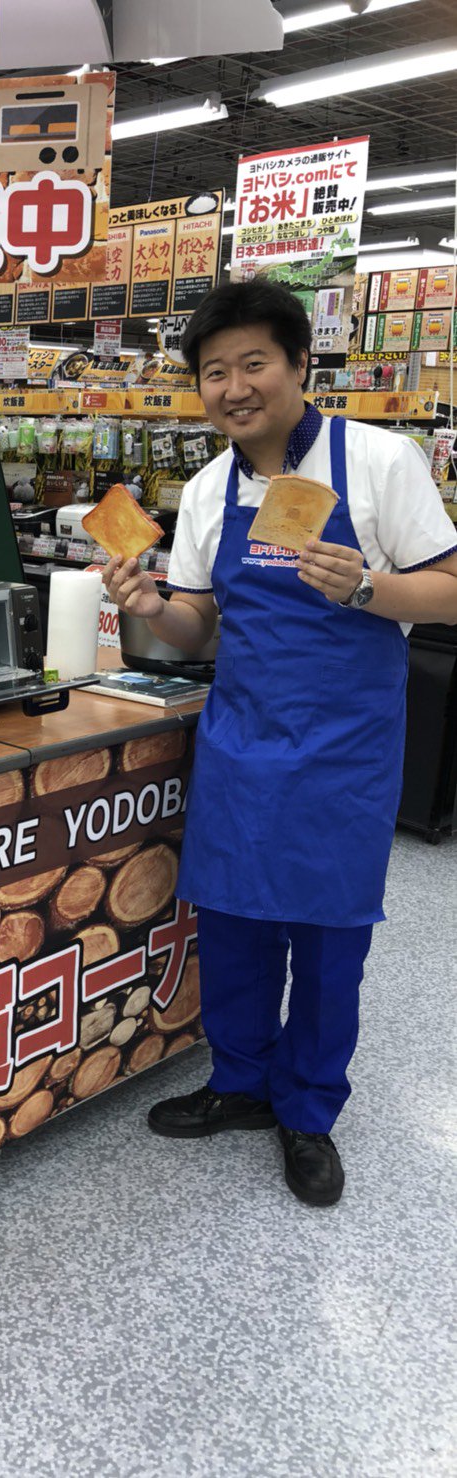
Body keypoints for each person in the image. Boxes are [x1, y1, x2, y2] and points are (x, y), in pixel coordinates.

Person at [104, 280, 457, 1206]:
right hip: (240, 742)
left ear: (301, 365)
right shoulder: (212, 487)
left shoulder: (381, 461)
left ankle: (308, 1114)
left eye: (254, 363)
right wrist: (149, 610)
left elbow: (451, 590)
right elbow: (201, 624)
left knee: (331, 943)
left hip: (345, 751)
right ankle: (240, 1087)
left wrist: (367, 588)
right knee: (234, 932)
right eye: (214, 372)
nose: (234, 386)